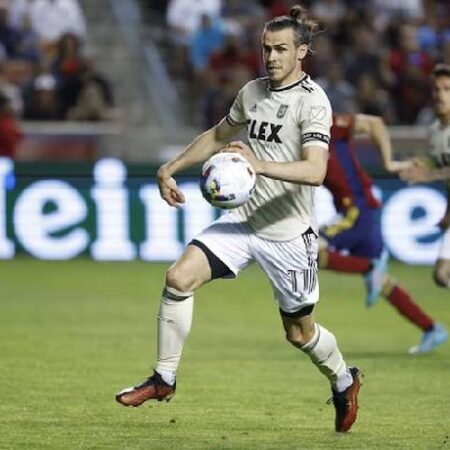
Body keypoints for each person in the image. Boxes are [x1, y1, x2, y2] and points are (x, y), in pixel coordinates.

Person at [116, 5, 362, 433]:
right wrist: (170, 168)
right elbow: (216, 136)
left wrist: (257, 165)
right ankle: (164, 379)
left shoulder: (314, 102)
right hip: (244, 222)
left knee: (300, 335)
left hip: (287, 233)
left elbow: (315, 171)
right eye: (266, 48)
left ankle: (344, 380)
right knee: (178, 278)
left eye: (281, 49)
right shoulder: (252, 92)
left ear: (301, 52)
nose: (271, 57)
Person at [318, 113, 448, 354]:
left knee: (310, 250)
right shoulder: (297, 136)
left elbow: (375, 124)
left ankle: (369, 266)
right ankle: (431, 328)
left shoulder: (327, 123)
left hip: (357, 208)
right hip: (357, 209)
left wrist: (388, 163)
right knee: (381, 281)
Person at [400, 63, 450, 289]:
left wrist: (430, 175)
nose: (440, 95)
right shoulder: (434, 131)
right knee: (441, 275)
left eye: (447, 89)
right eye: (437, 89)